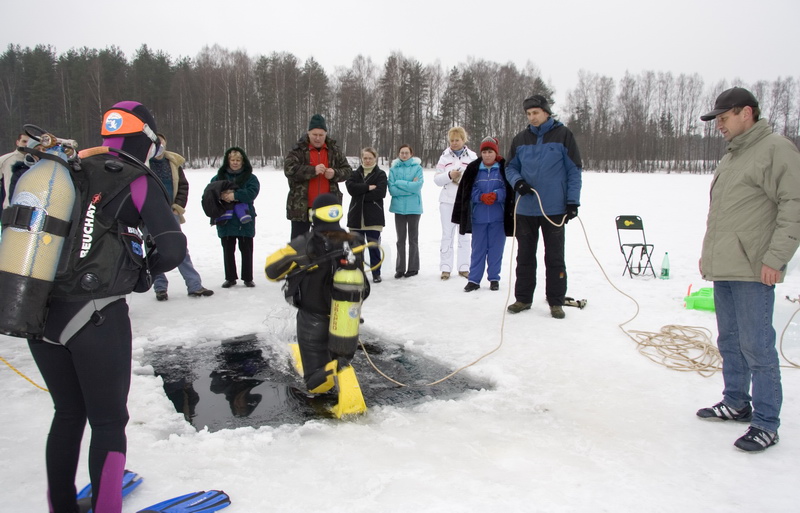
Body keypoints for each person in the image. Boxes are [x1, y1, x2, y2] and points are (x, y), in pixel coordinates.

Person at [24, 101, 186, 513]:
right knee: (109, 422)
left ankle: (59, 505)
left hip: (40, 314)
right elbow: (171, 245)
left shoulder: (67, 171)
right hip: (95, 316)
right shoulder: (136, 178)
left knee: (67, 414)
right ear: (147, 139)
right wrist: (145, 272)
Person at [696, 87, 800, 452]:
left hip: (755, 268)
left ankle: (767, 422)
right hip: (726, 265)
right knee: (730, 341)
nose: (719, 125)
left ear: (747, 113)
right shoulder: (733, 156)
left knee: (758, 346)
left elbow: (794, 205)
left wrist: (776, 257)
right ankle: (737, 401)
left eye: (724, 118)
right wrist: (709, 255)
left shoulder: (776, 149)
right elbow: (726, 214)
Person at [265, 193, 368, 393]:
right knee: (338, 356)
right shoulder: (355, 241)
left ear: (314, 215)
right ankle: (340, 365)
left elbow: (271, 271)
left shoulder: (305, 244)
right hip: (347, 318)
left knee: (314, 379)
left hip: (313, 318)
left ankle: (327, 375)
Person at [504, 94, 582, 319]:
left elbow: (573, 170)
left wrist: (572, 202)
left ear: (546, 112)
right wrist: (518, 182)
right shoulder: (520, 139)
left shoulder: (563, 135)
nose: (532, 117)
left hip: (554, 208)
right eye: (528, 114)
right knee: (525, 257)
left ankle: (556, 301)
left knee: (555, 256)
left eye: (536, 113)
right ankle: (523, 299)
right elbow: (510, 167)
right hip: (526, 207)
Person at [149, 133, 213, 300]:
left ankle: (194, 285)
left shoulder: (173, 163)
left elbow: (183, 186)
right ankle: (160, 287)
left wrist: (178, 207)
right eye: (156, 143)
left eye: (162, 142)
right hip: (149, 215)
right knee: (154, 250)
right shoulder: (143, 164)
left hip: (171, 213)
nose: (159, 146)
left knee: (180, 249)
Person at [452, 137, 514, 292]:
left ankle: (494, 278)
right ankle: (474, 279)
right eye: (485, 152)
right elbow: (467, 190)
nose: (487, 155)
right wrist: (480, 196)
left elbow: (509, 189)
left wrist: (497, 195)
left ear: (495, 153)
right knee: (478, 249)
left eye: (490, 152)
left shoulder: (503, 168)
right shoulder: (473, 169)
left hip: (498, 218)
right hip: (478, 217)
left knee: (496, 250)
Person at [284, 114, 352, 240]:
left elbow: (348, 171)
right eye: (314, 134)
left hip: (328, 207)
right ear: (308, 133)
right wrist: (312, 170)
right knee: (299, 244)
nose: (317, 138)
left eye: (321, 135)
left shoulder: (334, 150)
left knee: (329, 244)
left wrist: (335, 173)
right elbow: (289, 170)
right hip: (302, 206)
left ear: (326, 134)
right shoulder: (297, 150)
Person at [210, 146, 260, 288]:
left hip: (244, 218)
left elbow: (252, 193)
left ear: (243, 161)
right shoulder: (218, 177)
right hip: (225, 218)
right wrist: (222, 195)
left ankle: (248, 278)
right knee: (228, 249)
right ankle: (230, 278)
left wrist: (235, 195)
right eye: (232, 160)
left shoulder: (251, 178)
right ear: (228, 161)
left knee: (246, 249)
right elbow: (210, 191)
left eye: (238, 160)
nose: (235, 162)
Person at [434, 127, 477, 280]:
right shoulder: (444, 157)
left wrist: (464, 177)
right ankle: (446, 267)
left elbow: (476, 177)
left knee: (464, 235)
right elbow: (437, 179)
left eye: (457, 140)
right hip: (447, 201)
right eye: (451, 140)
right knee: (447, 235)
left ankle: (464, 267)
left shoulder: (472, 157)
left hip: (465, 201)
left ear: (463, 140)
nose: (454, 143)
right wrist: (449, 175)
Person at [346, 147, 387, 283]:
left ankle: (376, 273)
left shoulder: (380, 174)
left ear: (375, 158)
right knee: (356, 249)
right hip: (356, 217)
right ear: (361, 158)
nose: (367, 160)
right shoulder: (355, 173)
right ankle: (358, 274)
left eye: (370, 158)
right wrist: (367, 188)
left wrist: (360, 193)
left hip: (373, 218)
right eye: (365, 158)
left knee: (373, 247)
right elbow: (351, 188)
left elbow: (380, 193)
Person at [388, 144, 424, 279]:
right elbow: (392, 190)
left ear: (411, 154)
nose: (404, 155)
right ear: (399, 154)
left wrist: (399, 183)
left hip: (414, 208)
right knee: (400, 239)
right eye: (402, 153)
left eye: (406, 153)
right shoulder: (393, 168)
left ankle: (413, 267)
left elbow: (417, 186)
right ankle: (400, 268)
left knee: (413, 239)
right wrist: (408, 185)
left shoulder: (417, 168)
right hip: (398, 208)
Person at [0, 132, 30, 207]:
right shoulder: (5, 160)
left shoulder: (37, 161)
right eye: (24, 141)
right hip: (9, 206)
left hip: (29, 207)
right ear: (17, 142)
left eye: (29, 142)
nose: (26, 144)